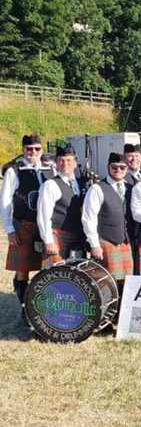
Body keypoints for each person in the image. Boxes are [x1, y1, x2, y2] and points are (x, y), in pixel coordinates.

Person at [1, 134, 54, 315]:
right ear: (23, 150)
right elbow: (5, 203)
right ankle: (25, 308)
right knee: (23, 268)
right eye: (29, 149)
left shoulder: (50, 169)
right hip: (24, 224)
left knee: (48, 266)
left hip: (46, 226)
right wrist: (10, 230)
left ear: (42, 150)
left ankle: (43, 306)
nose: (33, 152)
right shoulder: (14, 171)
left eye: (37, 149)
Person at [82, 153, 133, 317]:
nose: (118, 170)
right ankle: (105, 316)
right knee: (107, 282)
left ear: (127, 169)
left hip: (125, 241)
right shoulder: (97, 188)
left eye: (122, 167)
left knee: (126, 281)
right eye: (114, 167)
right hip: (106, 240)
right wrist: (94, 244)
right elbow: (88, 217)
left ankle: (120, 318)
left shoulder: (130, 187)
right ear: (108, 168)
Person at [37, 145, 86, 268]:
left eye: (69, 160)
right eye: (61, 160)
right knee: (56, 277)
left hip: (77, 237)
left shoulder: (81, 183)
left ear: (75, 163)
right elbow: (43, 215)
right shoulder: (50, 185)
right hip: (57, 236)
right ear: (56, 164)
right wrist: (48, 241)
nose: (65, 164)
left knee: (76, 276)